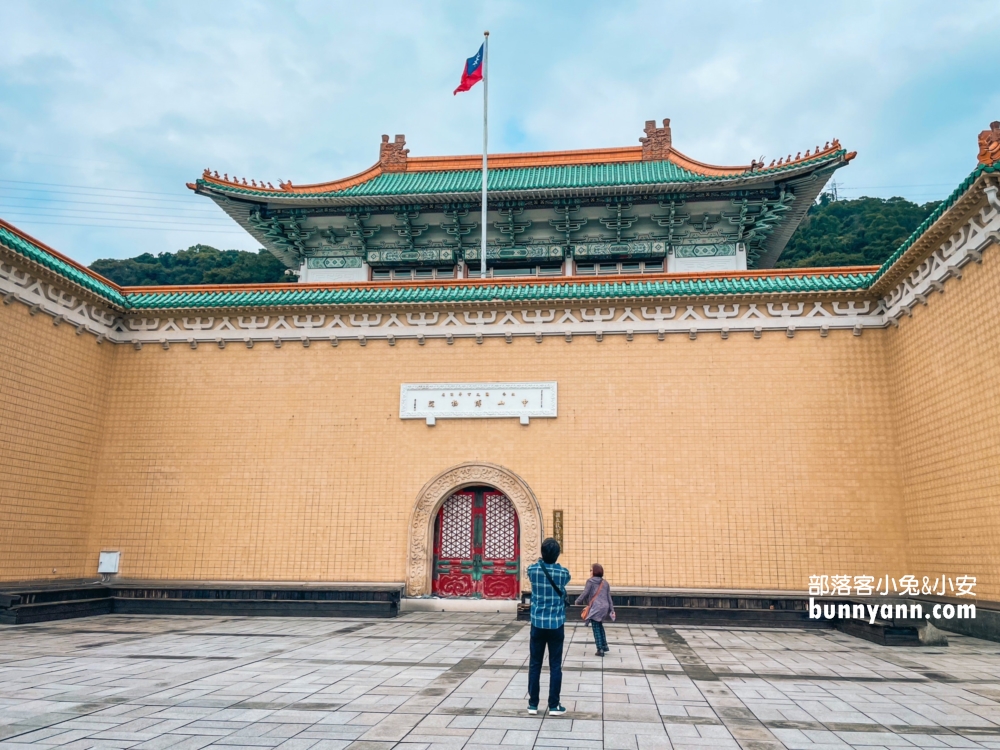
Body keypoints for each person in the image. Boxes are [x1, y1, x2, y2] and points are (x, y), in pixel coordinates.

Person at [526, 537, 570, 716]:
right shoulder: (563, 573)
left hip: (537, 623)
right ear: (557, 555)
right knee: (555, 665)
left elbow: (531, 568)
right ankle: (554, 705)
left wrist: (541, 560)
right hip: (556, 624)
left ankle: (533, 704)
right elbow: (566, 578)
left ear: (542, 554)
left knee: (535, 664)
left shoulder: (534, 570)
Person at [574, 563, 616, 656]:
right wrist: (612, 610)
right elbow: (609, 597)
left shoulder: (590, 581)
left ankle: (600, 649)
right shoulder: (605, 583)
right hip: (605, 608)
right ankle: (604, 646)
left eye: (591, 570)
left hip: (596, 607)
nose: (590, 572)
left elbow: (585, 593)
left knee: (596, 627)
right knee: (599, 625)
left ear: (594, 571)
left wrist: (577, 601)